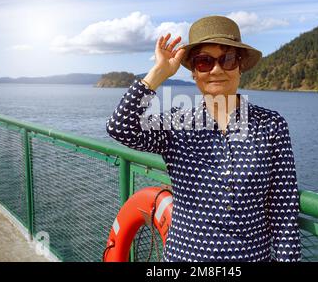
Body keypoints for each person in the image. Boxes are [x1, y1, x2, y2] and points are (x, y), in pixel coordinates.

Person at [106, 15, 301, 262]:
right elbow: (120, 127)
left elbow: (283, 211)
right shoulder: (177, 125)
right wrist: (158, 74)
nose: (217, 70)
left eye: (228, 59)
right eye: (204, 62)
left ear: (240, 67)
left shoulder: (271, 125)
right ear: (194, 73)